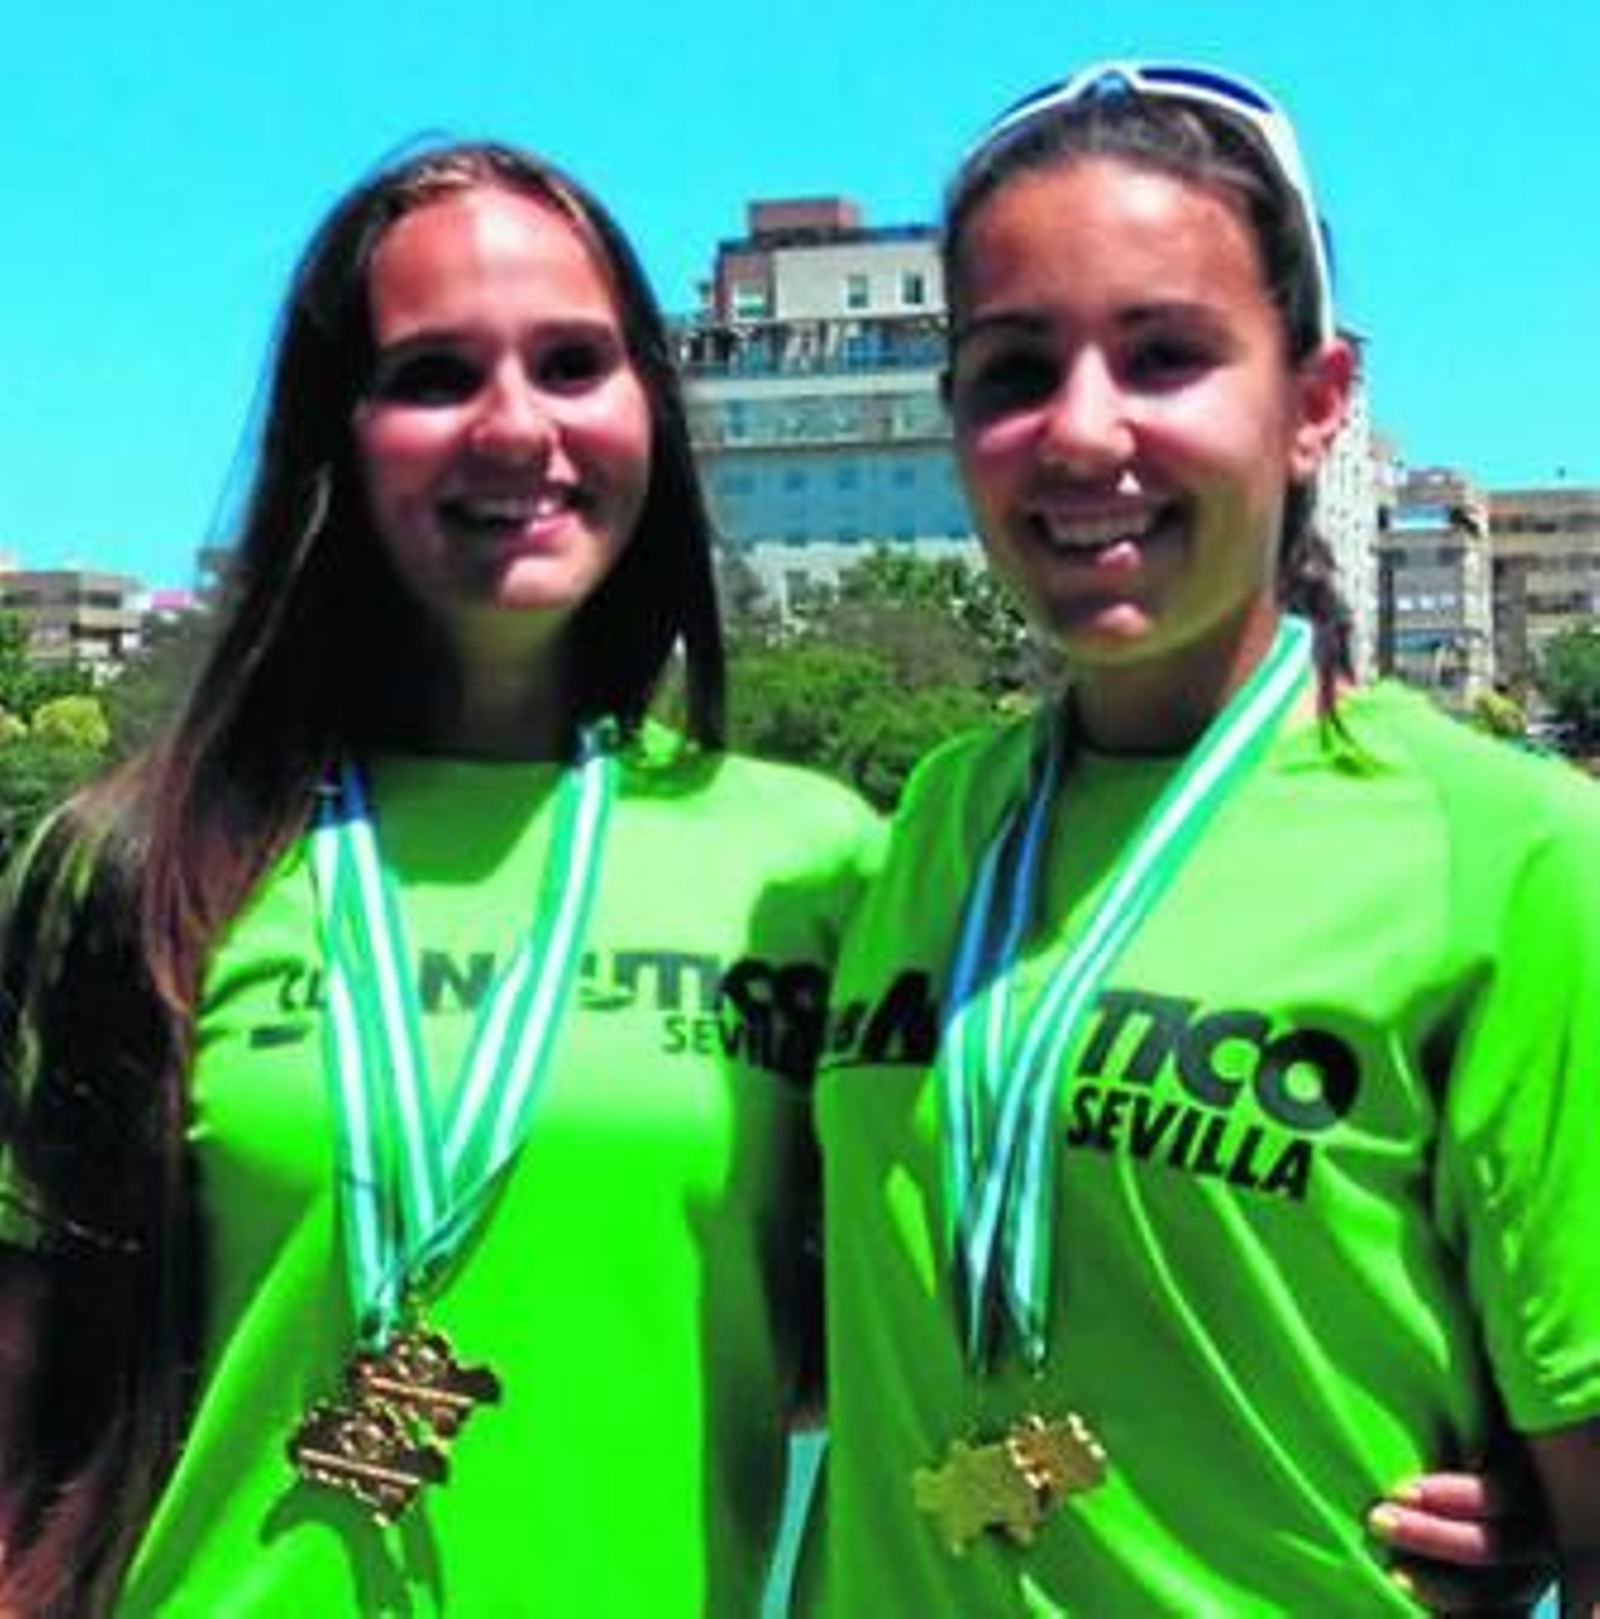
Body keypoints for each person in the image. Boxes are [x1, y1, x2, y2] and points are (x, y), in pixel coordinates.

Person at [0, 140, 876, 1614]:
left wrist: (1392, 1483)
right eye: (432, 375)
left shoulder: (816, 868)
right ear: (333, 439)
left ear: (650, 411)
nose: (513, 426)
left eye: (572, 362)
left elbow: (981, 1319)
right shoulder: (138, 870)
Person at [801, 61, 1600, 1613]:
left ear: (1316, 405)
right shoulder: (927, 832)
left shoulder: (1513, 854)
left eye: (1165, 355)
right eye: (1013, 370)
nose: (1081, 432)